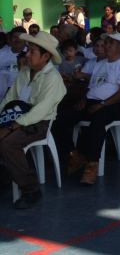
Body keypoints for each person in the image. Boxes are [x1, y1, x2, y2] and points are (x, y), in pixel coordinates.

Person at [51, 33, 120, 185]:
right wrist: (84, 100)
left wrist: (102, 104)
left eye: (111, 43)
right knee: (60, 118)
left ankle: (92, 165)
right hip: (91, 101)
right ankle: (74, 154)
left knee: (98, 122)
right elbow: (92, 87)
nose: (107, 45)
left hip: (112, 105)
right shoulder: (101, 63)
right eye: (107, 42)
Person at [0, 31, 66, 209]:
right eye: (28, 50)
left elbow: (40, 111)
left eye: (32, 52)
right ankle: (6, 175)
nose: (27, 54)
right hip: (17, 117)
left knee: (8, 143)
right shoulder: (25, 72)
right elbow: (9, 98)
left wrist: (12, 126)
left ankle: (31, 189)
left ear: (45, 56)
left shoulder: (53, 79)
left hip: (38, 123)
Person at [0, 27, 27, 98]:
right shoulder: (1, 53)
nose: (17, 39)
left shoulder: (30, 54)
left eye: (20, 37)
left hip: (21, 96)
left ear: (26, 39)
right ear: (10, 38)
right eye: (15, 37)